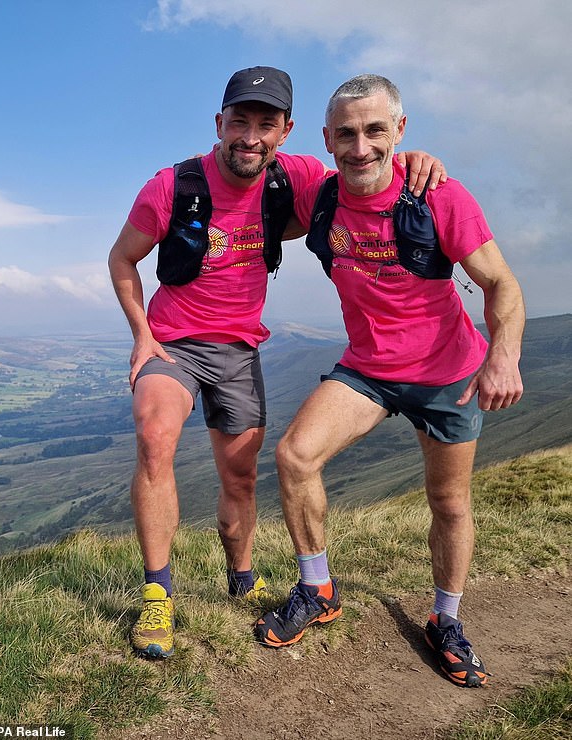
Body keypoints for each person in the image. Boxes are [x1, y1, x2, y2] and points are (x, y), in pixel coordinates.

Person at [108, 66, 446, 660]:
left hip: (240, 351)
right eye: (240, 121)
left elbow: (364, 175)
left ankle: (241, 577)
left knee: (240, 477)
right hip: (173, 345)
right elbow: (122, 260)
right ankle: (157, 594)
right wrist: (141, 336)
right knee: (154, 435)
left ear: (287, 131)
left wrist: (411, 157)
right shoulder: (171, 187)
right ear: (219, 123)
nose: (250, 136)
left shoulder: (296, 177)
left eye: (266, 124)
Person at [255, 74, 525, 689]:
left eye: (376, 130)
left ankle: (447, 620)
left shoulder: (440, 196)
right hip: (368, 368)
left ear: (399, 131)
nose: (360, 147)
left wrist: (503, 355)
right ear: (325, 139)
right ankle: (318, 587)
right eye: (346, 134)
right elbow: (251, 154)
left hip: (446, 374)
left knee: (449, 502)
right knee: (296, 457)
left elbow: (501, 284)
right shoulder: (318, 195)